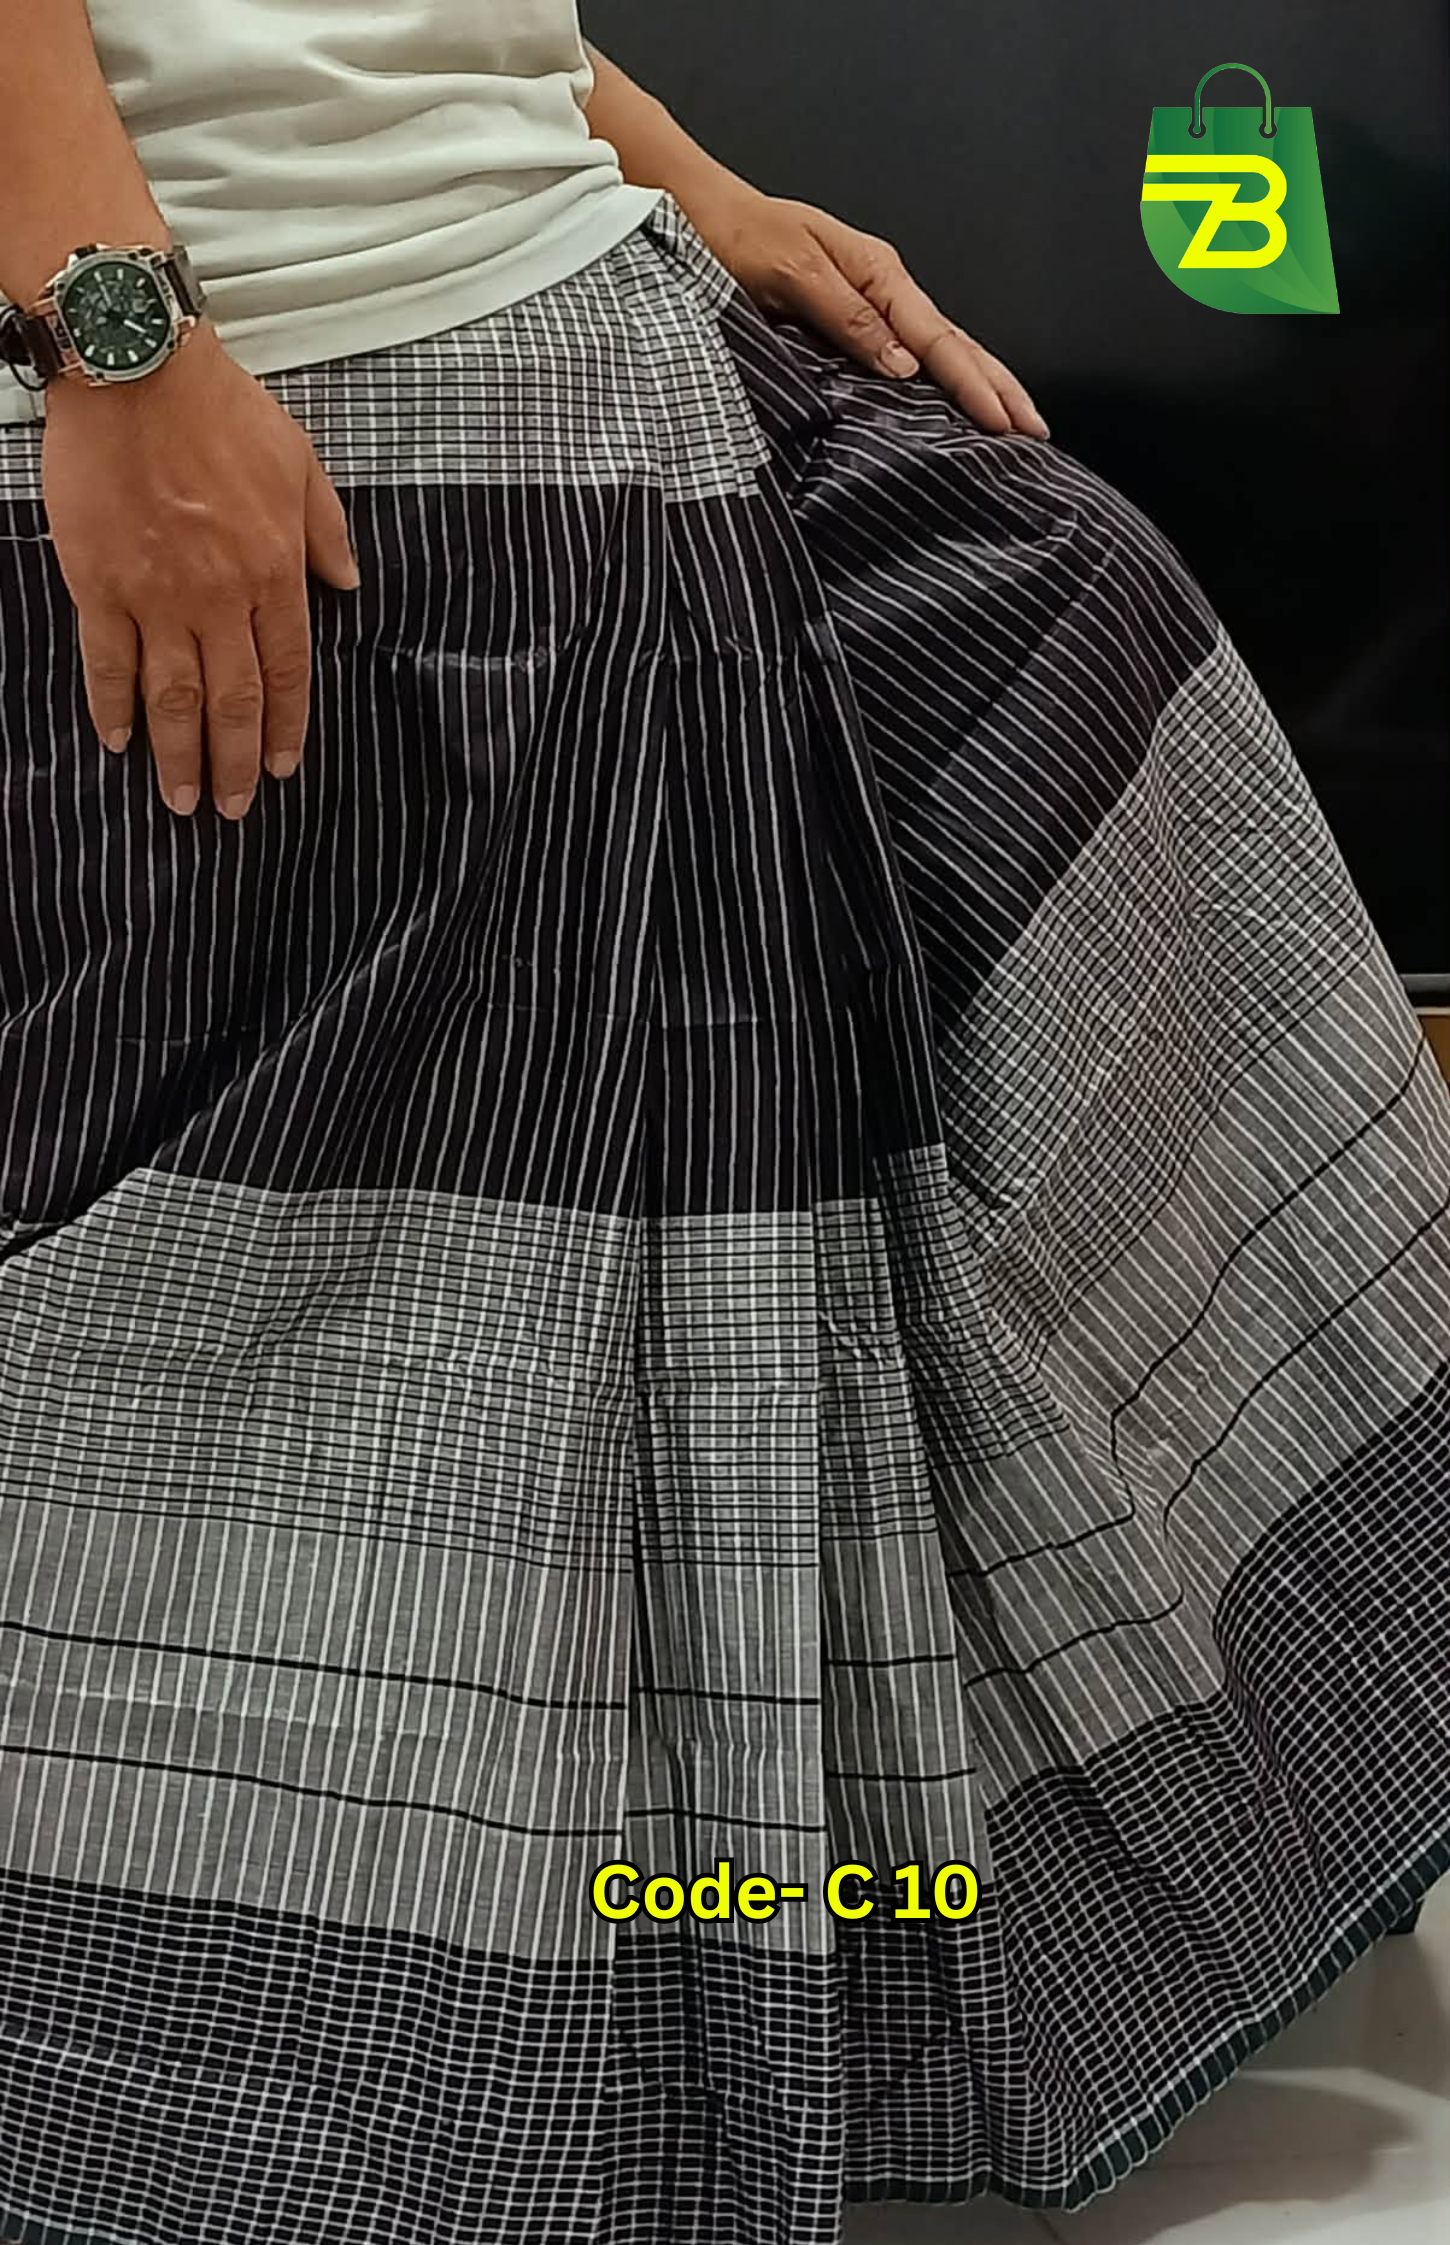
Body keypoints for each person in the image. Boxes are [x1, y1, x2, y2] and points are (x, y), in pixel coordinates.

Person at [1, 7, 1446, 2243]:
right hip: (288, 384)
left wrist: (690, 178)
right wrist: (117, 339)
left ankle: (782, 1981)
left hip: (583, 308)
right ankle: (250, 2057)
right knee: (341, 1334)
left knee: (1055, 635)